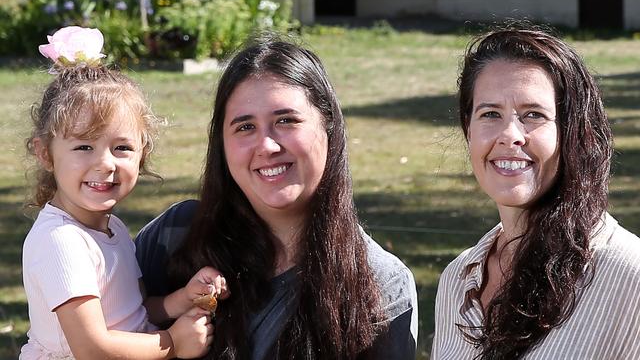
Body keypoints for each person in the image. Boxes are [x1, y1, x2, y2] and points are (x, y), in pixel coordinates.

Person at [135, 37, 418, 359]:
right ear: (222, 144)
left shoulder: (381, 284)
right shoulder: (174, 236)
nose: (267, 146)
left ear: (328, 126)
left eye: (286, 121)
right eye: (245, 127)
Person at [431, 25, 640, 359]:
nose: (509, 135)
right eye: (490, 114)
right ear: (468, 128)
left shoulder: (636, 279)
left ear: (573, 132)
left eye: (533, 115)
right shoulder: (456, 283)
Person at [21, 26, 226, 359]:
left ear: (142, 154)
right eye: (84, 146)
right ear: (45, 153)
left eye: (121, 147)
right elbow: (91, 348)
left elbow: (136, 313)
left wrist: (185, 298)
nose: (105, 164)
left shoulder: (111, 229)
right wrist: (172, 343)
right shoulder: (60, 241)